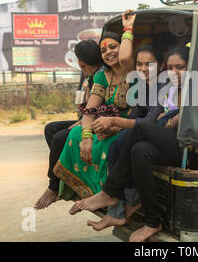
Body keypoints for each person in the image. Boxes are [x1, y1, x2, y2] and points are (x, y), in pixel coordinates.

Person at [75, 46, 189, 242]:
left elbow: (172, 123)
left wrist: (169, 120)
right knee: (138, 149)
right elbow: (158, 120)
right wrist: (169, 120)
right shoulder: (168, 89)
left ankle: (111, 192)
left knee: (138, 130)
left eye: (180, 67)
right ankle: (151, 220)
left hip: (189, 148)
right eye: (170, 67)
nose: (174, 72)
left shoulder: (197, 88)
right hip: (167, 142)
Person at [53, 22, 136, 214]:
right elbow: (89, 111)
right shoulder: (102, 77)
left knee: (108, 146)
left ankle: (106, 196)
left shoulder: (132, 72)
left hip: (127, 126)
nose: (108, 53)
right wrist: (87, 137)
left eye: (113, 47)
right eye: (103, 50)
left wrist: (128, 29)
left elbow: (124, 56)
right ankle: (87, 191)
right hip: (104, 125)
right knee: (74, 133)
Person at [87, 43, 167, 231]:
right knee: (118, 141)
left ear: (161, 65)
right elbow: (136, 116)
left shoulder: (164, 84)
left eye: (149, 65)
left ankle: (113, 198)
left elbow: (149, 122)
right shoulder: (143, 84)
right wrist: (115, 128)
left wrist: (115, 121)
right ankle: (121, 205)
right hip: (148, 134)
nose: (143, 69)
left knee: (121, 143)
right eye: (139, 64)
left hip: (165, 136)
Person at [34, 40, 103, 210]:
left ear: (80, 63)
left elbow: (104, 106)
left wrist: (83, 121)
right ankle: (69, 175)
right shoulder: (92, 76)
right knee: (51, 128)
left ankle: (54, 186)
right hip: (90, 117)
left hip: (102, 120)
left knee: (59, 138)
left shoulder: (102, 75)